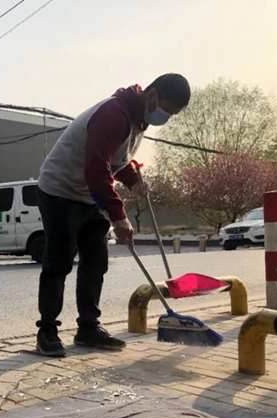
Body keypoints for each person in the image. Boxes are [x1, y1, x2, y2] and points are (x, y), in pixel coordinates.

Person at [35, 73, 191, 357]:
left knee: (96, 262)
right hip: (59, 190)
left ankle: (88, 328)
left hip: (87, 194)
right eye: (166, 109)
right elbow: (96, 169)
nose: (165, 117)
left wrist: (133, 180)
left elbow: (116, 160)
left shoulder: (138, 119)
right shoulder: (113, 114)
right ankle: (47, 330)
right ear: (152, 95)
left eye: (172, 114)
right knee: (59, 262)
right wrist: (119, 217)